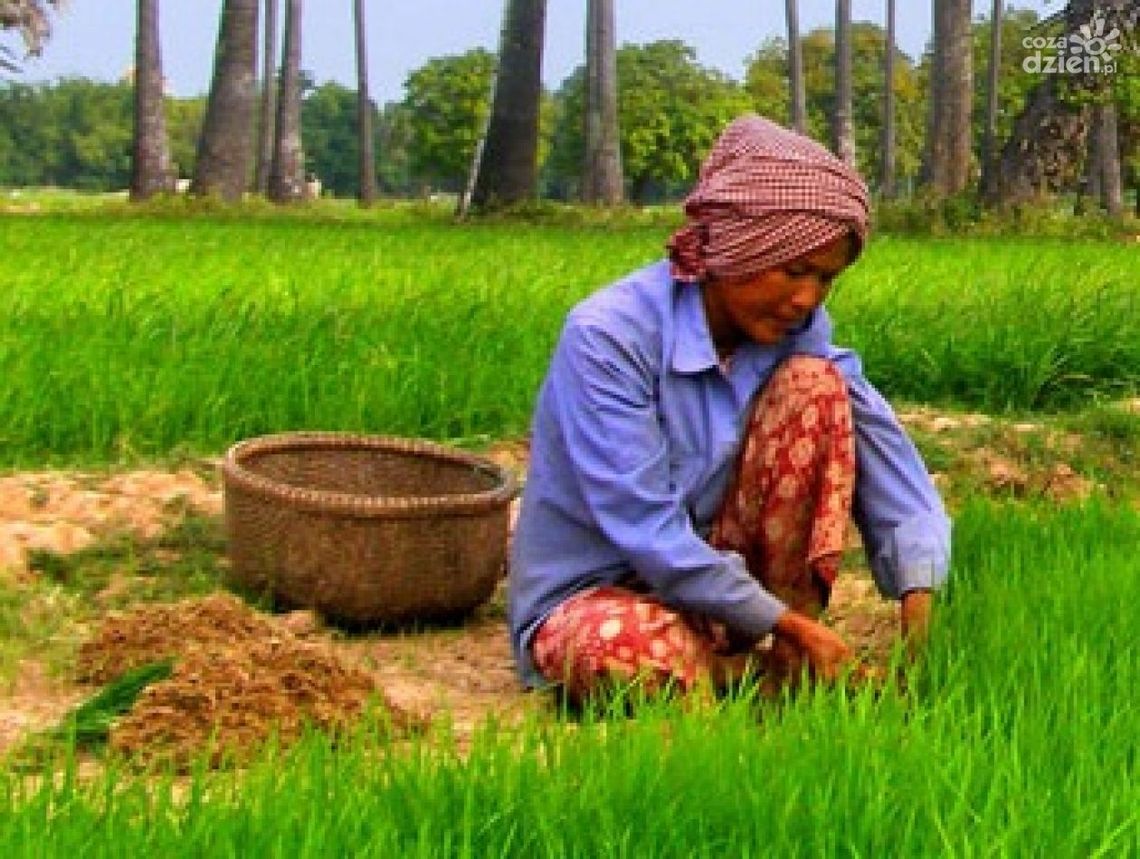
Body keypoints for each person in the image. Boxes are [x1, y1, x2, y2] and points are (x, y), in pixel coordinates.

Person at [507, 115, 950, 704]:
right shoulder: (609, 336)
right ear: (740, 247)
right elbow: (644, 527)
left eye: (827, 280)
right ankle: (767, 667)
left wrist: (919, 599)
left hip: (735, 602)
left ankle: (775, 659)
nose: (807, 299)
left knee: (817, 389)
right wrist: (783, 624)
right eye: (794, 271)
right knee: (630, 649)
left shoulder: (800, 333)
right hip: (599, 594)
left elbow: (881, 447)